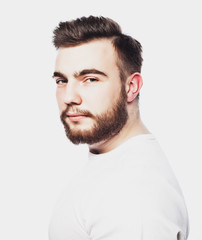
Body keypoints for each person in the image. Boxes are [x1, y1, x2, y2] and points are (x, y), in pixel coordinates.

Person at [49, 16, 189, 240]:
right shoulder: (115, 166)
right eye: (61, 81)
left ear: (131, 87)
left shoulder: (132, 192)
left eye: (90, 79)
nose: (69, 97)